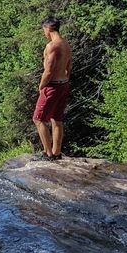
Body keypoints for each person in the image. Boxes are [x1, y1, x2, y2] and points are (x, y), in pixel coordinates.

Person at [32, 17, 72, 161]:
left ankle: (48, 154)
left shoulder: (52, 46)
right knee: (57, 119)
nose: (44, 33)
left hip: (53, 85)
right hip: (64, 84)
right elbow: (69, 67)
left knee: (38, 119)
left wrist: (42, 86)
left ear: (48, 29)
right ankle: (57, 152)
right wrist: (65, 81)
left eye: (44, 30)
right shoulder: (66, 44)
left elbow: (48, 71)